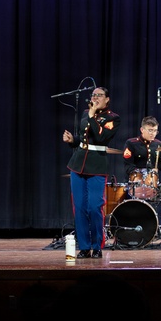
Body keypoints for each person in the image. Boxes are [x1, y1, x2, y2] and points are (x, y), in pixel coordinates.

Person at [62, 87, 120, 259]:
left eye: (99, 95)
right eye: (93, 95)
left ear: (107, 99)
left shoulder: (113, 118)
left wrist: (92, 116)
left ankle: (97, 245)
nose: (95, 98)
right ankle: (85, 247)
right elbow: (83, 138)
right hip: (78, 164)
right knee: (79, 207)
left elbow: (101, 138)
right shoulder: (86, 113)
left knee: (95, 207)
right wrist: (73, 140)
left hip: (97, 166)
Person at [122, 116, 161, 230]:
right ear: (142, 130)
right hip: (135, 184)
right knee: (127, 195)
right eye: (150, 130)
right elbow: (128, 165)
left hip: (153, 184)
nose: (153, 133)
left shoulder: (158, 144)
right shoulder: (131, 143)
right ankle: (130, 229)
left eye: (155, 131)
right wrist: (139, 175)